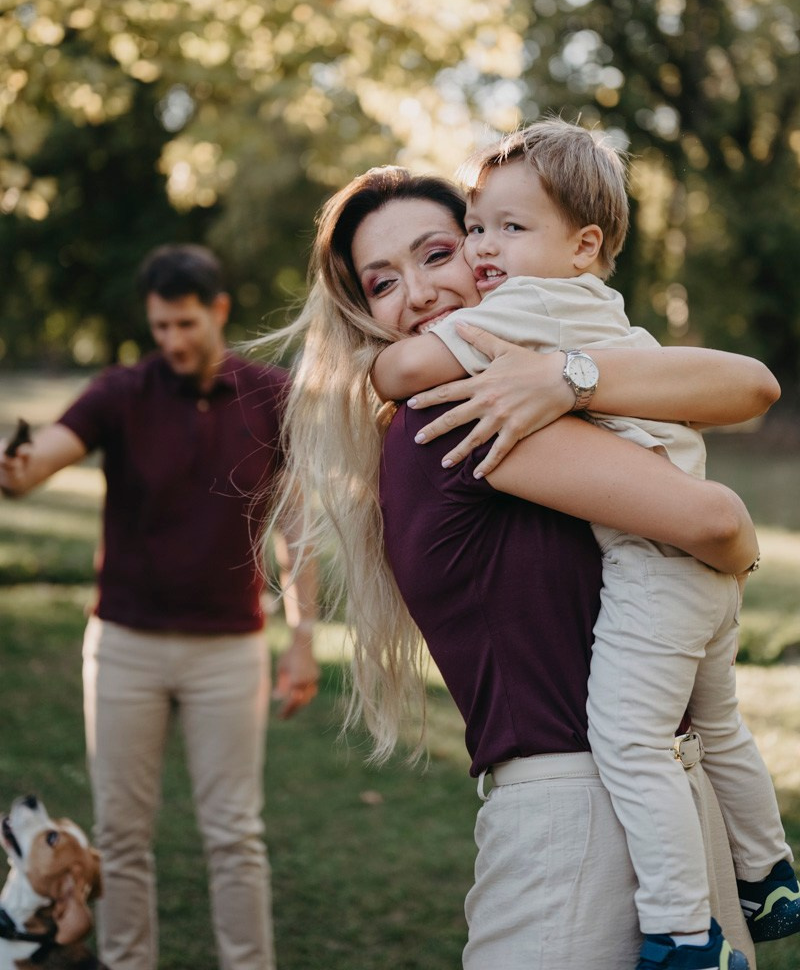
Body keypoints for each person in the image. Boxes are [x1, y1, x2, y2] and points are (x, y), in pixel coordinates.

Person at [259, 166, 780, 969]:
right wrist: (740, 550)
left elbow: (751, 385)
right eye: (383, 282)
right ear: (364, 311)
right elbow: (717, 520)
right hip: (584, 821)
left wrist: (563, 375)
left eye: (439, 253)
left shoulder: (528, 386)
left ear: (487, 251)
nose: (420, 293)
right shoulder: (456, 414)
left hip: (654, 809)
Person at [0, 244, 319, 970]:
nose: (172, 340)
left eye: (185, 323)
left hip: (229, 648)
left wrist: (302, 637)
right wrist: (15, 469)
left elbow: (296, 526)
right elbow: (43, 458)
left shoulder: (270, 395)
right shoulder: (121, 391)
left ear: (218, 310)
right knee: (120, 837)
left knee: (235, 836)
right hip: (125, 647)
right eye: (160, 326)